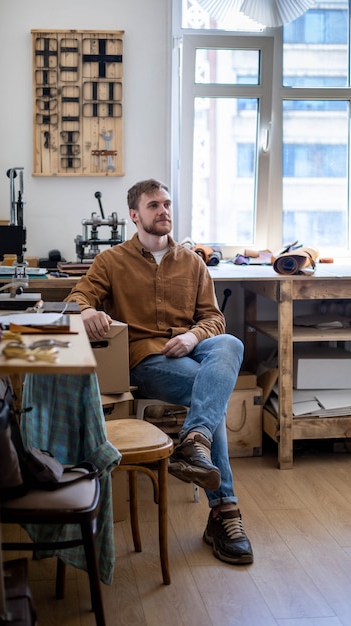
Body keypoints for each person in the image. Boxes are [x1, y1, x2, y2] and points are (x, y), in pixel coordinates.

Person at [65, 178, 253, 565]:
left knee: (231, 343)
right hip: (147, 359)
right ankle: (225, 512)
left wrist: (190, 337)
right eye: (154, 206)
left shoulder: (193, 262)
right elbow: (77, 295)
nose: (163, 211)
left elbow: (214, 320)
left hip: (194, 349)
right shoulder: (112, 261)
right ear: (134, 215)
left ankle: (194, 441)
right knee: (211, 397)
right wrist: (87, 311)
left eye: (167, 204)